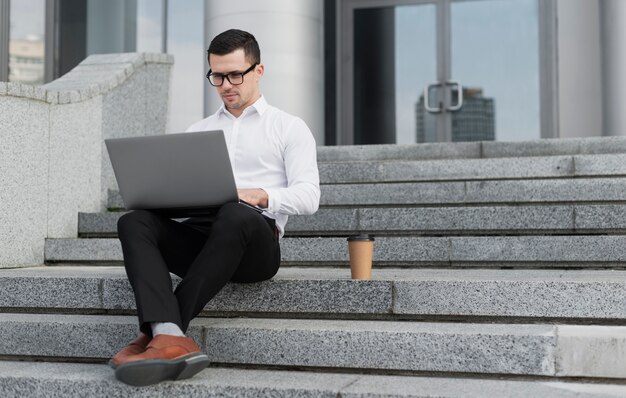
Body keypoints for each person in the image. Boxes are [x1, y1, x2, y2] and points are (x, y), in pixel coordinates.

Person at [109, 29, 320, 386]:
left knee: (235, 212)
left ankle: (166, 331)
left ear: (259, 70)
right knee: (135, 222)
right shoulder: (198, 131)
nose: (225, 85)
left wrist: (257, 194)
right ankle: (168, 332)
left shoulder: (289, 127)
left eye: (235, 74)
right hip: (202, 238)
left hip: (255, 244)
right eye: (217, 76)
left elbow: (309, 196)